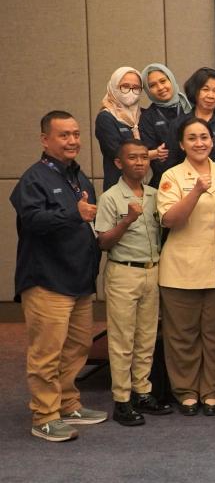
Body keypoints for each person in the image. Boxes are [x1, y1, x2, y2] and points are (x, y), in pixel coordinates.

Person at [11, 111, 105, 442]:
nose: (72, 141)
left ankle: (67, 403)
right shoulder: (33, 179)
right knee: (46, 353)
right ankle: (45, 415)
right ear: (45, 140)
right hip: (47, 280)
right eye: (64, 135)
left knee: (77, 346)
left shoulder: (78, 177)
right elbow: (33, 221)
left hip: (78, 279)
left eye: (76, 134)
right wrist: (72, 213)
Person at [157, 117, 215, 416]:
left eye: (204, 137)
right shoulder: (172, 176)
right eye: (191, 138)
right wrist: (195, 192)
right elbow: (169, 220)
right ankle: (186, 391)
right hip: (181, 268)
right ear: (181, 144)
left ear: (212, 141)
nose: (199, 143)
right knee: (182, 336)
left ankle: (213, 391)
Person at [95, 140, 173, 426]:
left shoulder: (155, 194)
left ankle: (142, 393)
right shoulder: (110, 197)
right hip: (124, 272)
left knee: (146, 337)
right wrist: (127, 220)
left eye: (144, 157)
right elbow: (103, 242)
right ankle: (122, 400)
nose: (140, 162)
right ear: (119, 163)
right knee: (122, 340)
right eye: (132, 158)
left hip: (152, 272)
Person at [165, 67, 215, 170]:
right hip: (187, 178)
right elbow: (172, 162)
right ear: (194, 90)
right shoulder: (178, 124)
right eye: (205, 89)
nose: (211, 95)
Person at [139, 63, 191, 187]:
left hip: (195, 175)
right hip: (165, 180)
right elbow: (154, 156)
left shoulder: (189, 107)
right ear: (147, 90)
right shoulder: (147, 117)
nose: (160, 87)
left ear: (171, 80)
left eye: (163, 81)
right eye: (152, 85)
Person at [95, 67, 143, 190]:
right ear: (114, 86)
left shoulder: (142, 115)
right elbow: (117, 152)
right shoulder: (106, 117)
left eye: (136, 88)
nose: (130, 91)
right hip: (117, 185)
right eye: (125, 86)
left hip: (145, 185)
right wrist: (150, 155)